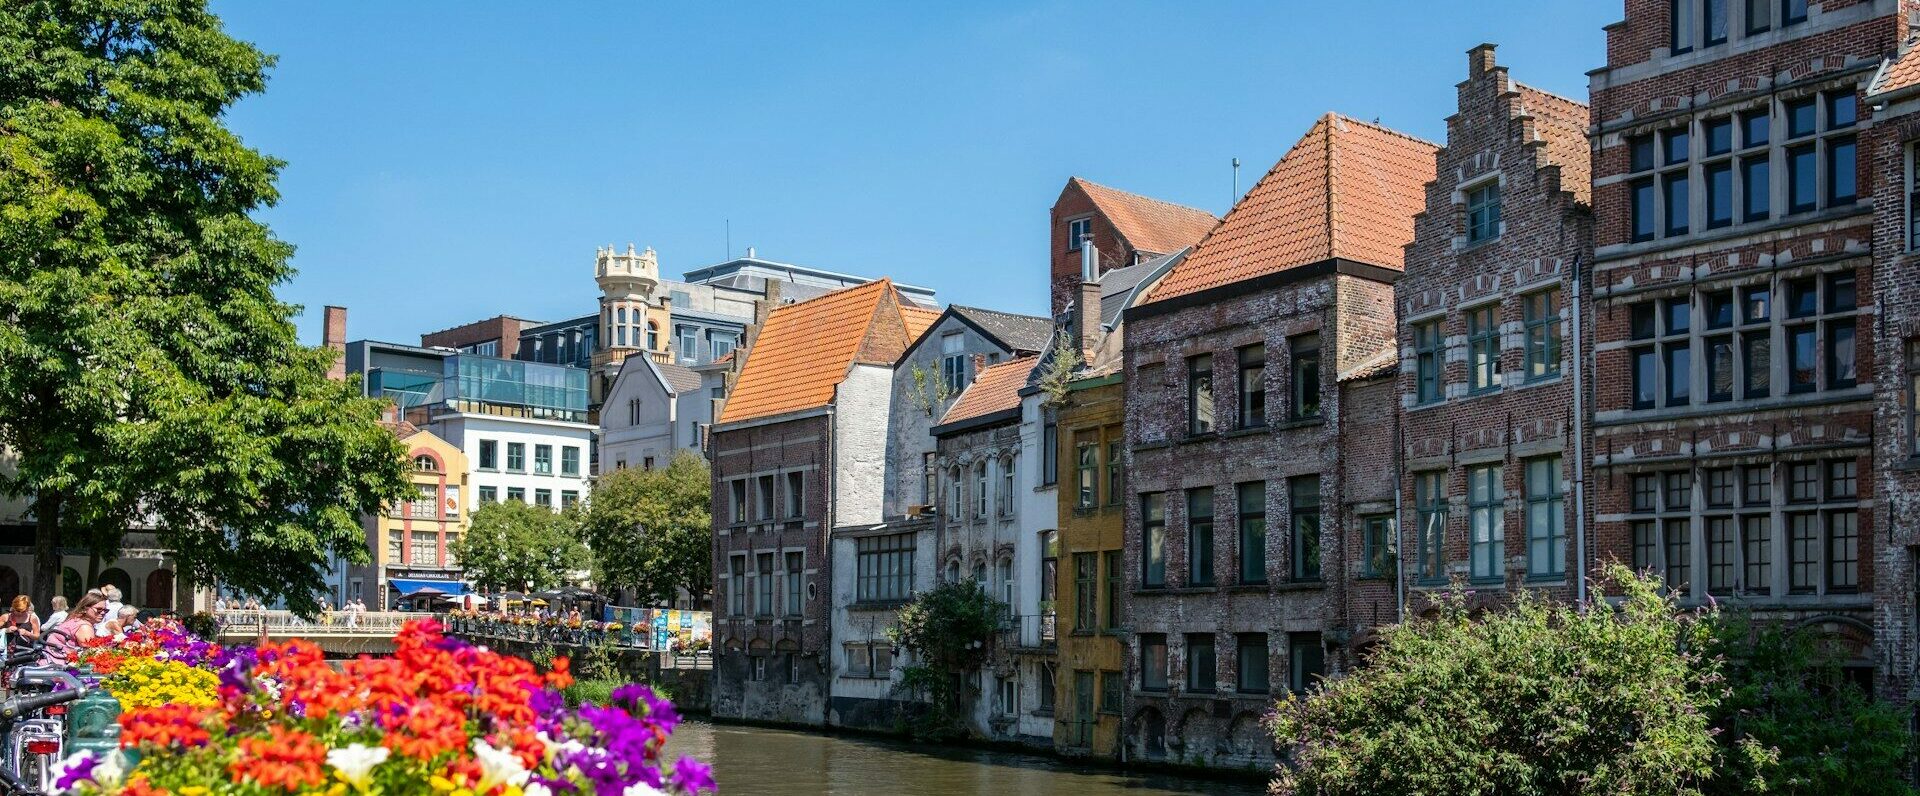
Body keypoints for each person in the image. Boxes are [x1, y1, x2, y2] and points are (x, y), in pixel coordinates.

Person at [42, 591, 106, 665]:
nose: (103, 612)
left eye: (105, 610)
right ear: (85, 608)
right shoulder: (84, 627)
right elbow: (92, 654)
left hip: (49, 662)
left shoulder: (74, 618)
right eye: (99, 609)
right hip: (59, 668)